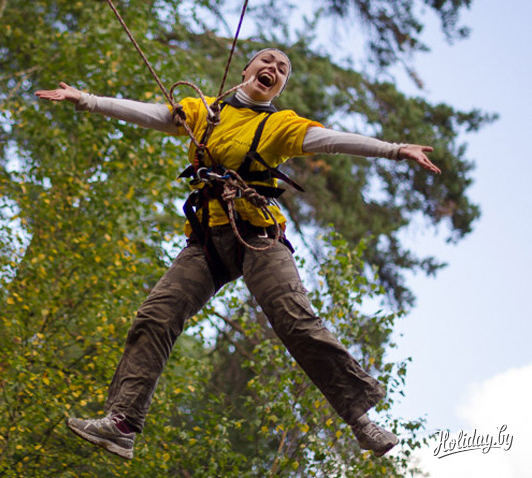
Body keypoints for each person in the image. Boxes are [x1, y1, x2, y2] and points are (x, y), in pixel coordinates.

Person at [35, 48, 441, 461]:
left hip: (258, 237)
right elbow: (154, 114)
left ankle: (360, 420)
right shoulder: (204, 112)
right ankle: (122, 424)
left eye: (282, 70)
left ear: (279, 87)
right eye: (266, 61)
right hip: (208, 241)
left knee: (294, 319)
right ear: (247, 69)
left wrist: (396, 149)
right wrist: (86, 99)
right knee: (156, 315)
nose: (273, 69)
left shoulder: (281, 126)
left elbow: (334, 141)